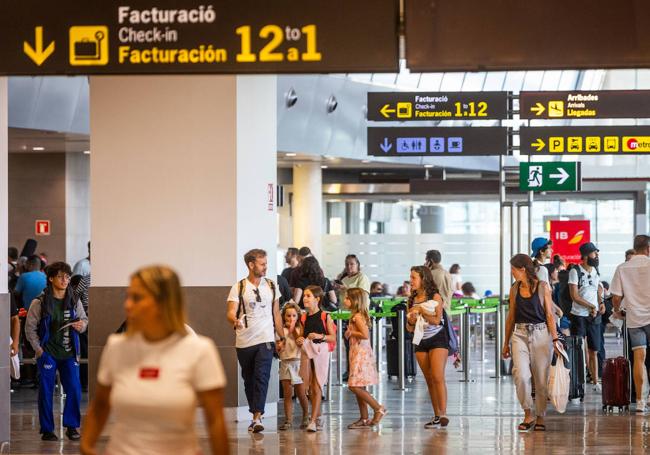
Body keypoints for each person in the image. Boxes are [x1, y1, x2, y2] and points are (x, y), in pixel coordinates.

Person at [80, 265, 229, 455]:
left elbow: (215, 420)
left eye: (137, 298)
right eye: (128, 296)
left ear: (163, 303)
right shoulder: (117, 346)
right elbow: (100, 405)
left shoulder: (199, 350)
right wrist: (86, 447)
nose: (127, 305)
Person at [25, 262, 88, 441]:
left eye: (67, 277)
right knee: (45, 391)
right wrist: (39, 350)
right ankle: (47, 429)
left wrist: (81, 325)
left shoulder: (74, 300)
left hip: (69, 354)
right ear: (51, 278)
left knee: (75, 389)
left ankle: (72, 427)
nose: (65, 280)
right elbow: (30, 329)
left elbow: (84, 320)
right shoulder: (40, 302)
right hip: (48, 354)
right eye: (60, 276)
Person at [226, 249, 285, 433]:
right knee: (249, 379)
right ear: (251, 265)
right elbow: (230, 311)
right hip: (244, 341)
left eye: (266, 263)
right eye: (262, 264)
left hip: (265, 339)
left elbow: (276, 314)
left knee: (262, 376)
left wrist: (281, 337)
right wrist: (234, 320)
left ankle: (257, 417)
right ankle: (254, 415)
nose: (265, 267)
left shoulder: (272, 286)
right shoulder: (239, 287)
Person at [502, 254, 561, 432]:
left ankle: (541, 415)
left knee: (541, 379)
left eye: (513, 269)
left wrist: (555, 338)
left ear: (522, 270)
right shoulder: (514, 289)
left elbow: (550, 314)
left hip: (541, 334)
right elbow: (511, 316)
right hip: (519, 334)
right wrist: (505, 343)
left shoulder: (543, 287)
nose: (511, 273)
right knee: (520, 375)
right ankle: (528, 413)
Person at [406, 266, 450, 428]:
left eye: (413, 278)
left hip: (438, 338)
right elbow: (409, 328)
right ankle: (437, 415)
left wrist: (421, 311)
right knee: (429, 380)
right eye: (410, 278)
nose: (410, 281)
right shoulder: (411, 300)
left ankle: (443, 413)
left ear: (423, 279)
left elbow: (437, 320)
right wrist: (411, 320)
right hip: (420, 340)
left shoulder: (434, 296)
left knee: (438, 376)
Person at [611, 234, 650, 413]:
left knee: (639, 359)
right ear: (648, 249)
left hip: (634, 319)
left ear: (634, 249)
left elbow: (616, 297)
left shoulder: (622, 268)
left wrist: (618, 311)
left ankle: (640, 402)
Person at [344, 288, 386, 429]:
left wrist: (351, 332)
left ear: (354, 301)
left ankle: (378, 408)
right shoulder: (355, 315)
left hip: (360, 354)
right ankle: (364, 417)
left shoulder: (357, 317)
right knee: (359, 385)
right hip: (356, 352)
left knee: (354, 385)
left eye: (347, 298)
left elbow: (365, 334)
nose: (344, 300)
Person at [296, 286, 335, 432]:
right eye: (304, 295)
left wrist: (320, 336)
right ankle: (317, 416)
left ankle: (312, 420)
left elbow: (332, 337)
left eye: (308, 296)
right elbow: (301, 335)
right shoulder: (303, 317)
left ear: (317, 299)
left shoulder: (325, 316)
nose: (304, 298)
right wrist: (300, 339)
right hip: (307, 352)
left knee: (317, 385)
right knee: (310, 387)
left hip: (320, 353)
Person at [569, 242, 604, 391]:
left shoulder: (596, 270)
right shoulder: (575, 271)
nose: (597, 256)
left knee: (594, 349)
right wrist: (591, 306)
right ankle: (579, 382)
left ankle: (595, 382)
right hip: (579, 315)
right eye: (594, 253)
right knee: (579, 349)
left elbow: (597, 290)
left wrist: (600, 302)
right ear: (585, 256)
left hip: (594, 315)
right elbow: (574, 296)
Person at [278, 301, 309, 431]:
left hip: (298, 363)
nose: (291, 319)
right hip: (285, 362)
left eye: (294, 316)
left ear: (298, 317)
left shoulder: (300, 329)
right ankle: (288, 420)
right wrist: (280, 344)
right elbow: (278, 347)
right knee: (287, 393)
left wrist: (294, 332)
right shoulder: (281, 331)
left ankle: (306, 416)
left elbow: (301, 344)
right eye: (288, 316)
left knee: (301, 393)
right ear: (283, 316)